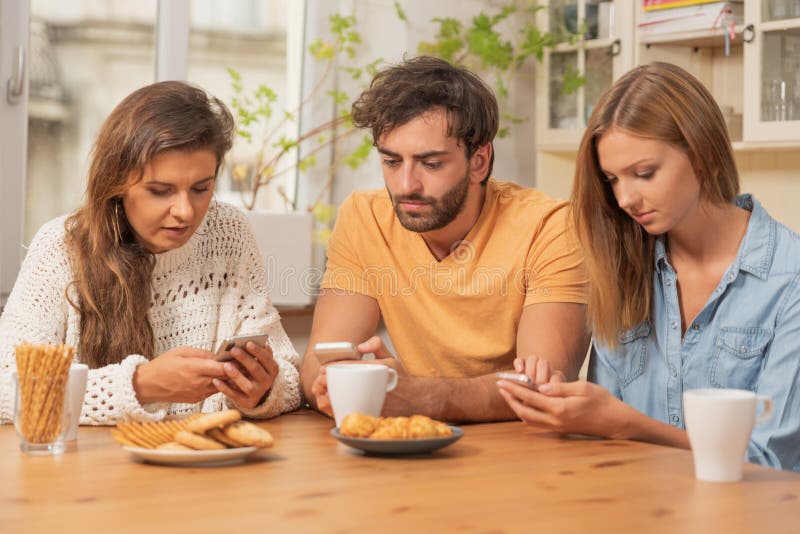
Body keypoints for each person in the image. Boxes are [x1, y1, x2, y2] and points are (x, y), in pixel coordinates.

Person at [497, 62, 800, 471]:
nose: (625, 198)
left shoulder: (789, 278)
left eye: (644, 173)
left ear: (703, 153)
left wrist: (626, 425)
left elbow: (771, 463)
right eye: (612, 179)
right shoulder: (623, 267)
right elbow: (607, 443)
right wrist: (560, 407)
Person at [301, 56, 590, 422]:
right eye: (392, 162)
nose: (406, 185)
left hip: (520, 455)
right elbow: (317, 361)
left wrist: (422, 398)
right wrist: (330, 385)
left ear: (479, 161)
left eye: (431, 164)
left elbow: (542, 388)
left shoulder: (550, 227)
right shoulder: (364, 217)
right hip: (411, 453)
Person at [0, 81, 301, 424]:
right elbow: (7, 390)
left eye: (202, 188)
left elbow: (290, 377)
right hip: (92, 474)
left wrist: (262, 391)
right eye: (161, 191)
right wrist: (142, 386)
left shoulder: (229, 233)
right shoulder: (60, 247)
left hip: (205, 469)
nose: (185, 211)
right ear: (117, 184)